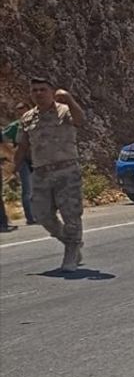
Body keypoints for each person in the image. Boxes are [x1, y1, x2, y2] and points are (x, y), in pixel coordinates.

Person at [13, 78, 87, 272]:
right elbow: (22, 146)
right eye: (34, 90)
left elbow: (80, 121)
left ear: (52, 92)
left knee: (71, 214)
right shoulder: (28, 118)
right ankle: (70, 241)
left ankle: (72, 252)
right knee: (41, 215)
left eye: (43, 89)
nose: (38, 93)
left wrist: (69, 99)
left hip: (66, 171)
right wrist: (14, 168)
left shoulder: (64, 111)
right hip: (41, 173)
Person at [3, 103, 35, 224]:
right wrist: (10, 152)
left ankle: (39, 214)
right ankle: (30, 217)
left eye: (24, 110)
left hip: (37, 159)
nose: (22, 113)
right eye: (19, 111)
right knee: (27, 189)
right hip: (23, 160)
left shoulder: (36, 124)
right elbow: (3, 137)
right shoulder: (15, 126)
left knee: (38, 189)